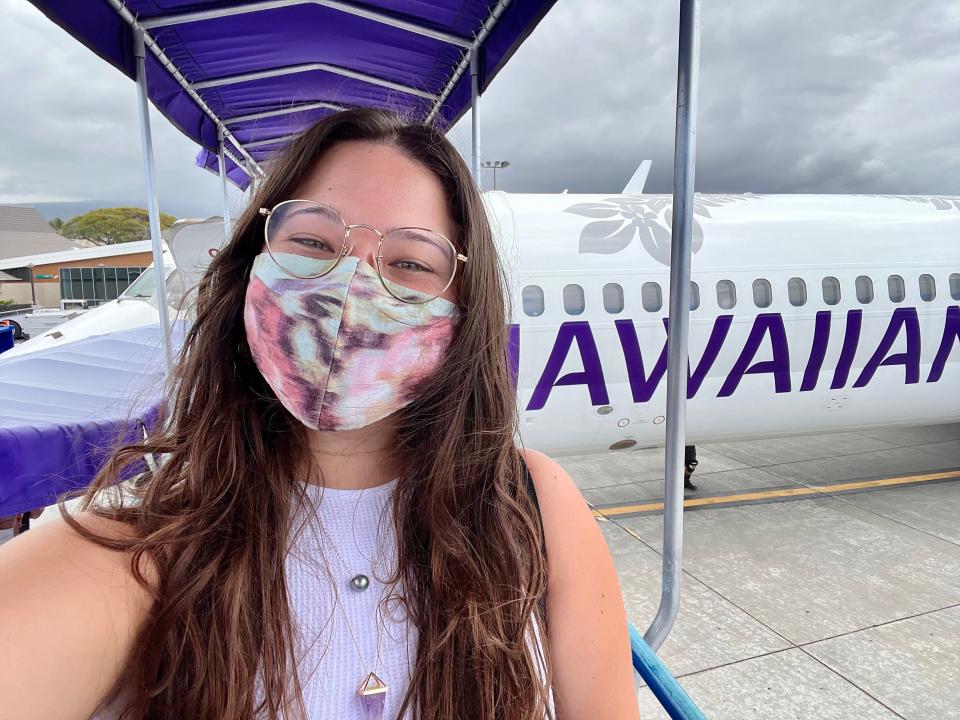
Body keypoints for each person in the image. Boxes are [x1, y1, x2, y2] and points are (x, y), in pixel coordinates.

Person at [0, 109, 639, 720]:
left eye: (411, 263)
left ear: (465, 312)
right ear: (251, 266)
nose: (348, 287)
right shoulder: (138, 551)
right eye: (311, 241)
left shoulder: (530, 504)